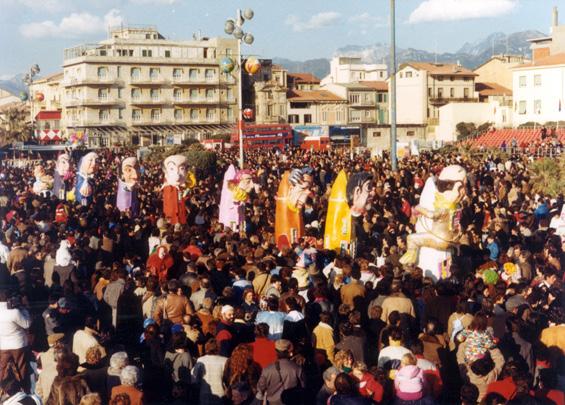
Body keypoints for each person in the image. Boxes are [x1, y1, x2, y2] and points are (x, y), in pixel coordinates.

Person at [256, 339, 305, 405]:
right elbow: (304, 386)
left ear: (276, 351)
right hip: (292, 402)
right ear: (289, 352)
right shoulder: (297, 368)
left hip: (273, 402)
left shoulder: (267, 370)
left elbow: (260, 387)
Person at [0, 289, 31, 393]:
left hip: (3, 345)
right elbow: (27, 324)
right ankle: (22, 390)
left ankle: (3, 391)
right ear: (8, 299)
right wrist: (24, 309)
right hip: (18, 344)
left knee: (3, 369)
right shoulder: (15, 312)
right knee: (20, 368)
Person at [191, 339, 228, 405]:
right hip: (220, 394)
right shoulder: (225, 360)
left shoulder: (201, 360)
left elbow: (194, 378)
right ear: (218, 348)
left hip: (204, 393)